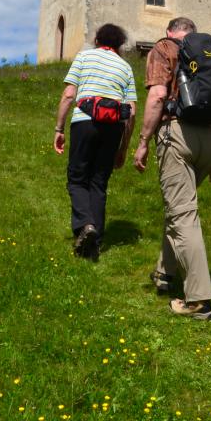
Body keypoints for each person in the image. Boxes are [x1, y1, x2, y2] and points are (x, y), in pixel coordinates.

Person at [133, 17, 211, 321]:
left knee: (183, 214)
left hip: (178, 134)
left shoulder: (164, 48)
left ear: (170, 32)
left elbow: (158, 96)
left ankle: (199, 300)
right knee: (180, 207)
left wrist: (143, 141)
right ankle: (164, 274)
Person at [54, 23, 137, 261]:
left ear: (97, 39)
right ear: (120, 44)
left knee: (77, 178)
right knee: (99, 183)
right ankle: (95, 243)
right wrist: (123, 146)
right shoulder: (126, 67)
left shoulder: (84, 56)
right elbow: (131, 111)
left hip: (84, 122)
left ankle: (85, 225)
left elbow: (69, 94)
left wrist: (59, 128)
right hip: (113, 128)